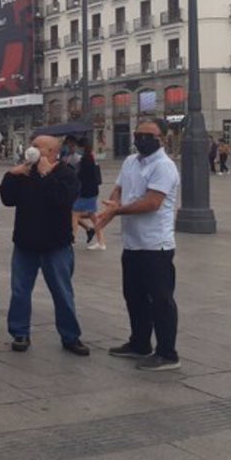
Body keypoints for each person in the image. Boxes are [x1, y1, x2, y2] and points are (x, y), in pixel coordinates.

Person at [95, 118, 182, 371]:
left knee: (161, 300)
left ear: (161, 139)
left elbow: (152, 202)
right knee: (133, 296)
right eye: (138, 134)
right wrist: (112, 205)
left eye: (148, 136)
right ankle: (140, 343)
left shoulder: (164, 166)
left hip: (156, 245)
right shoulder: (131, 161)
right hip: (132, 243)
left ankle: (167, 353)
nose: (141, 139)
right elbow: (119, 189)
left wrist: (117, 211)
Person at [0, 136, 90, 357]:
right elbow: (8, 199)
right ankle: (20, 332)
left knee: (62, 292)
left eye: (37, 146)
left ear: (51, 152)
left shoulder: (66, 173)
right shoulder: (25, 172)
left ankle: (70, 336)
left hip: (55, 244)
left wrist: (46, 175)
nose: (32, 149)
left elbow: (63, 199)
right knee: (20, 291)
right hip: (25, 243)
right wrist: (11, 175)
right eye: (31, 145)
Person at [72, 138, 106, 251]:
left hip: (85, 192)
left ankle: (72, 240)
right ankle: (101, 242)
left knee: (74, 215)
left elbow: (82, 176)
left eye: (78, 147)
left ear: (82, 147)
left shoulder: (85, 160)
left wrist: (76, 171)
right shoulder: (92, 158)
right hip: (92, 191)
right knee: (92, 216)